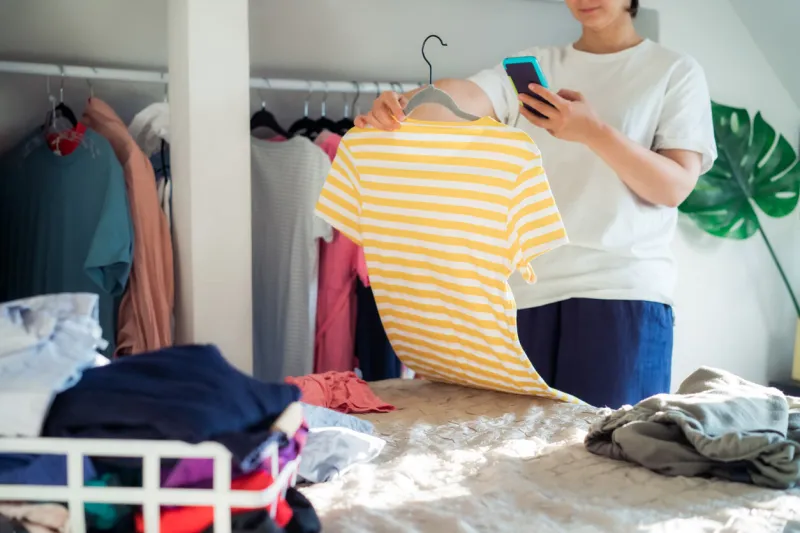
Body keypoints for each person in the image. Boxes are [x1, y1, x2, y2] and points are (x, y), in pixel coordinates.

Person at [355, 0, 717, 408]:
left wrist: (592, 131)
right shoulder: (534, 66)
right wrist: (409, 105)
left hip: (621, 292)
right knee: (519, 460)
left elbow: (674, 187)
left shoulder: (674, 70)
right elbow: (467, 97)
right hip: (526, 297)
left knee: (612, 454)